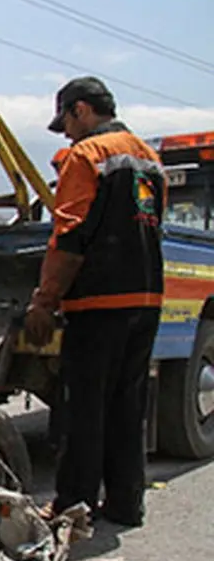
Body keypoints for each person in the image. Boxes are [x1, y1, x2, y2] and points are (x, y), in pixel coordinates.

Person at [24, 76, 167, 528]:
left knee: (83, 406)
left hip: (98, 303)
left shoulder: (86, 156)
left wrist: (44, 302)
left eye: (65, 120)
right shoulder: (150, 159)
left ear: (81, 110)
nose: (65, 132)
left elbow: (70, 235)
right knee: (128, 406)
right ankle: (126, 505)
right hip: (145, 299)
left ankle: (72, 506)